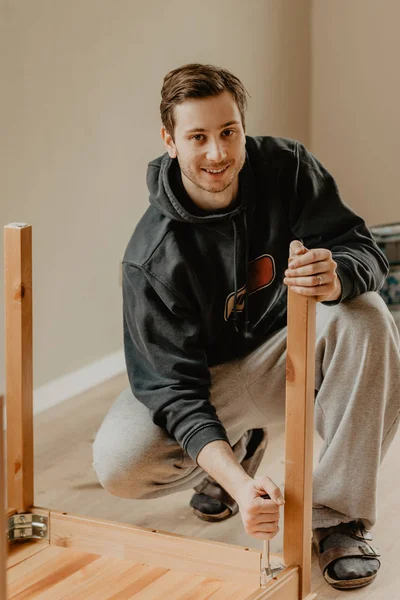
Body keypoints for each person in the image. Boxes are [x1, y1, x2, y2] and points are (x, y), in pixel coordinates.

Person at [92, 63, 400, 591]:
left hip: (292, 352)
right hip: (214, 383)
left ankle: (338, 520)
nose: (217, 154)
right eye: (198, 137)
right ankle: (235, 450)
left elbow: (364, 251)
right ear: (170, 141)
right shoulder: (150, 259)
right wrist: (239, 488)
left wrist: (338, 275)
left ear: (242, 125)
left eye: (228, 132)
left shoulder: (286, 166)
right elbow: (175, 392)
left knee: (367, 314)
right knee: (120, 461)